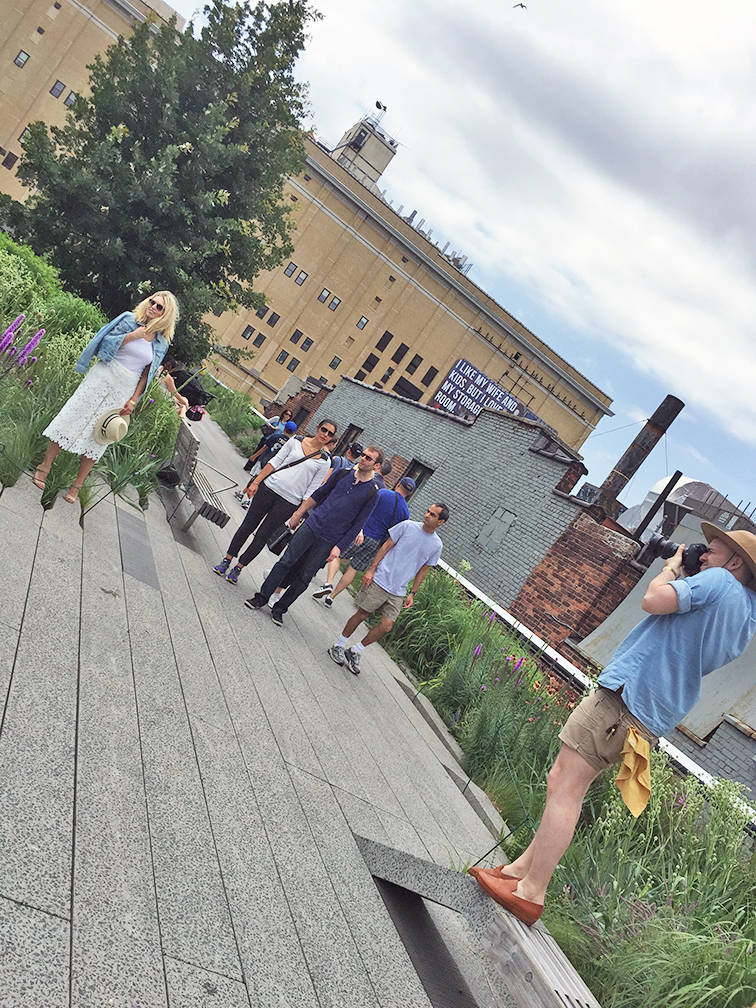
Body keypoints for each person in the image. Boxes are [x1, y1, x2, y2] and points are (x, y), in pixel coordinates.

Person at [471, 524, 756, 926]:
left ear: (736, 561)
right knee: (567, 785)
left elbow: (653, 600)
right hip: (650, 713)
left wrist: (672, 569)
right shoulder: (746, 616)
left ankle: (532, 891)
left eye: (710, 551)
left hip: (626, 698)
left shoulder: (719, 584)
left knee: (564, 785)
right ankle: (519, 872)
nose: (703, 556)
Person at [33, 291, 178, 502]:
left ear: (166, 315)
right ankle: (44, 468)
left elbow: (147, 373)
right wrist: (132, 336)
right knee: (73, 416)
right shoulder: (129, 320)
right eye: (152, 302)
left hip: (124, 389)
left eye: (159, 307)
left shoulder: (161, 343)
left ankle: (76, 485)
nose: (153, 307)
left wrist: (134, 399)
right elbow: (105, 343)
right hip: (103, 375)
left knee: (101, 434)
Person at [245, 446, 384, 626]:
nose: (363, 459)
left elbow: (358, 523)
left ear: (376, 465)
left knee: (305, 576)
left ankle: (280, 608)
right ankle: (261, 597)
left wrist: (339, 547)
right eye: (363, 455)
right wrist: (299, 513)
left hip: (330, 539)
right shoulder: (343, 473)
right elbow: (320, 494)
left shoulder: (373, 492)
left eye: (368, 458)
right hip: (313, 525)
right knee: (286, 561)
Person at [328, 503, 448, 675]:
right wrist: (371, 569)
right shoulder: (407, 526)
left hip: (399, 590)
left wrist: (413, 593)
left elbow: (423, 570)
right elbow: (386, 546)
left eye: (433, 514)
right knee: (362, 614)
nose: (427, 515)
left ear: (440, 522)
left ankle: (355, 650)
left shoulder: (436, 545)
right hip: (381, 578)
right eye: (428, 511)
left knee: (386, 626)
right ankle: (339, 645)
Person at [213, 419, 337, 585]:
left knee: (262, 536)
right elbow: (275, 461)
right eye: (324, 429)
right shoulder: (296, 440)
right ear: (317, 428)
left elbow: (312, 490)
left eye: (330, 433)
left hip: (289, 502)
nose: (325, 435)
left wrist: (299, 513)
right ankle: (227, 559)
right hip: (269, 488)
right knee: (247, 526)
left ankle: (239, 567)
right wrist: (256, 481)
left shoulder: (324, 460)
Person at [313, 476, 416, 606]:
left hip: (361, 533)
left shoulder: (382, 493)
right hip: (376, 543)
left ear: (399, 484)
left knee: (337, 555)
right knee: (353, 568)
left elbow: (364, 509)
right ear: (410, 493)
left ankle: (328, 583)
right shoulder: (405, 512)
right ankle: (331, 598)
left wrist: (358, 528)